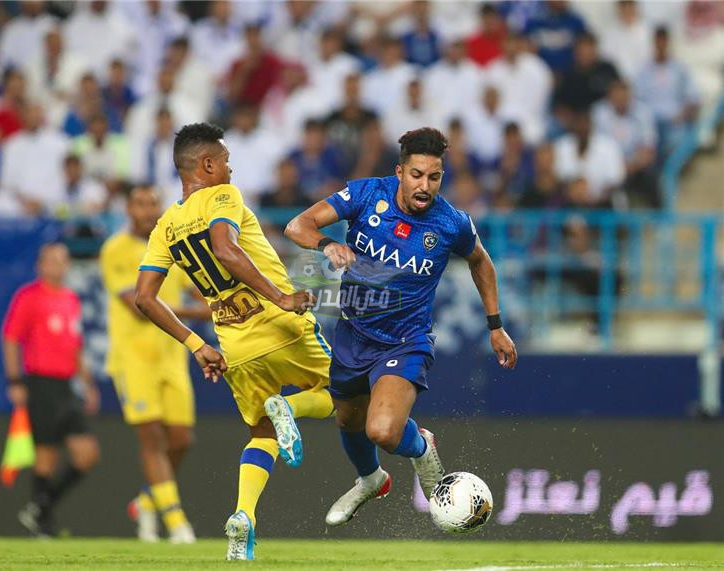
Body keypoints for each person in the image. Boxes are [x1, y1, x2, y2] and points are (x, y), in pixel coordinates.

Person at [284, 127, 517, 526]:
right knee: (348, 421)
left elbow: (481, 261)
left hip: (404, 342)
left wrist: (495, 326)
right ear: (399, 172)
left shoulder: (451, 223)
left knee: (383, 431)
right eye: (416, 175)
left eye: (434, 177)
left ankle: (421, 445)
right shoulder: (365, 194)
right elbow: (297, 225)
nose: (425, 185)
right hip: (353, 334)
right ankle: (370, 479)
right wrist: (328, 245)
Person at [134, 122, 334, 560]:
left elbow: (144, 298)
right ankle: (292, 407)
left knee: (261, 433)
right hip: (281, 326)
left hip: (233, 347)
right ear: (206, 164)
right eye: (224, 159)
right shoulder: (223, 195)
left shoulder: (165, 225)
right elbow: (224, 247)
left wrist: (195, 345)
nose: (230, 166)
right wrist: (282, 296)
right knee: (345, 391)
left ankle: (244, 516)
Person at [100, 186, 210, 543]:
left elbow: (200, 290)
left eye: (153, 204)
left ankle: (148, 501)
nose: (148, 211)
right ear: (127, 209)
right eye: (141, 204)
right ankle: (177, 522)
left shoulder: (168, 247)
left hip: (172, 355)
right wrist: (200, 312)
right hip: (134, 359)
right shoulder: (115, 250)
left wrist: (222, 298)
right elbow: (141, 306)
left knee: (181, 439)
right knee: (151, 438)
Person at [2, 243, 101, 537]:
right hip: (41, 382)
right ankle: (41, 521)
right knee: (46, 454)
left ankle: (39, 508)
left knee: (87, 453)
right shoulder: (28, 297)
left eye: (62, 260)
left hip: (67, 385)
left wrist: (88, 384)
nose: (58, 266)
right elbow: (11, 338)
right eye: (51, 261)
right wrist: (15, 381)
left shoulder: (70, 299)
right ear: (40, 266)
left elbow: (75, 346)